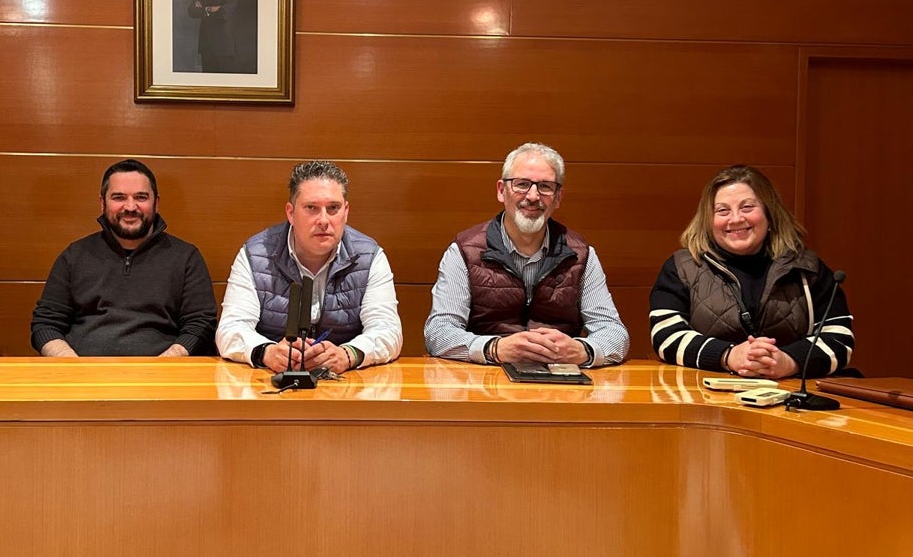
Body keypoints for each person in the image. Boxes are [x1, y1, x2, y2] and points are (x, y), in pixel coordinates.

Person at [425, 142, 629, 367]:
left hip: (561, 382)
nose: (533, 196)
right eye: (521, 184)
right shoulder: (464, 251)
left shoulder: (581, 254)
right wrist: (494, 348)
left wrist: (583, 351)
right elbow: (438, 332)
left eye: (545, 186)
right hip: (486, 381)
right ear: (502, 191)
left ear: (558, 197)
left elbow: (614, 333)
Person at [650, 165, 853, 378]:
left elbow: (840, 337)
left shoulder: (807, 268)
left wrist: (788, 361)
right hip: (708, 397)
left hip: (791, 398)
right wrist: (728, 356)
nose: (736, 219)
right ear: (708, 221)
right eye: (722, 210)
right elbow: (665, 336)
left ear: (769, 214)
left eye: (747, 207)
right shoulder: (682, 268)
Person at [216, 160, 402, 373]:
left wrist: (349, 354)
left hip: (345, 386)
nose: (323, 220)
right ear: (291, 213)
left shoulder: (369, 256)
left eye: (333, 208)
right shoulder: (256, 254)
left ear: (346, 212)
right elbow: (230, 329)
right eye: (311, 208)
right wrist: (266, 352)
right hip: (271, 384)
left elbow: (388, 330)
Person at [31, 159, 217, 357]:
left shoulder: (186, 257)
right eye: (119, 197)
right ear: (102, 203)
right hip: (84, 376)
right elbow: (46, 324)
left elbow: (200, 324)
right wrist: (73, 366)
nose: (130, 206)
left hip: (162, 376)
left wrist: (166, 366)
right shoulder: (74, 255)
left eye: (141, 197)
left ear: (156, 203)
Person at [186, 0, 239, 72]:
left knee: (224, 85)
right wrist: (210, 8)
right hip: (206, 44)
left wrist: (204, 8)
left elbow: (224, 13)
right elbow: (191, 11)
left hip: (224, 46)